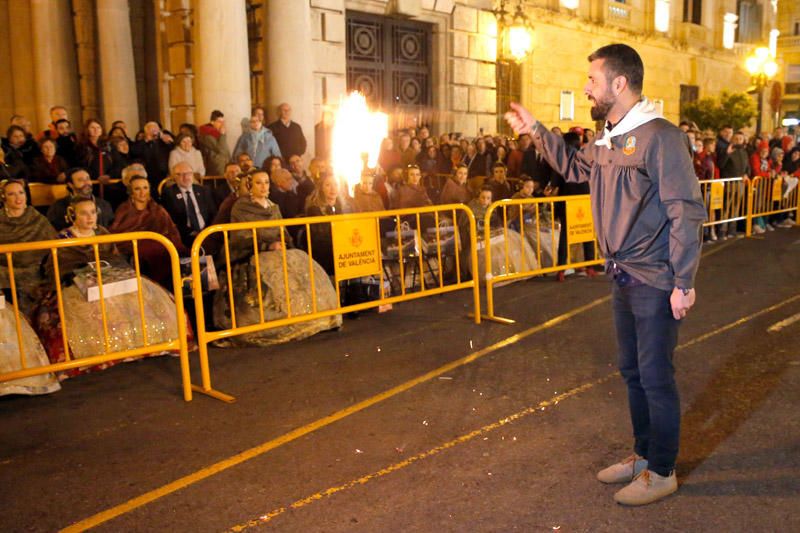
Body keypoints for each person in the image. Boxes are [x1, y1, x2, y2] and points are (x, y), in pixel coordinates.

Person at [506, 43, 706, 506]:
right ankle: (643, 454)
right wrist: (536, 130)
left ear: (619, 83)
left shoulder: (660, 137)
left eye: (592, 80)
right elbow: (577, 167)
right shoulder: (609, 136)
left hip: (656, 279)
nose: (586, 87)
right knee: (633, 371)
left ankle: (662, 470)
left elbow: (685, 210)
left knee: (656, 377)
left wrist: (684, 281)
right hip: (622, 275)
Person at [36, 195, 185, 379]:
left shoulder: (102, 232)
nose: (90, 217)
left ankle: (148, 345)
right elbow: (57, 266)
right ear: (73, 215)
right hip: (77, 282)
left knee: (145, 296)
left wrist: (109, 270)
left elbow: (115, 257)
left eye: (93, 212)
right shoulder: (63, 238)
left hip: (108, 278)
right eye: (84, 213)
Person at [214, 171, 340, 345]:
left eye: (266, 182)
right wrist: (267, 246)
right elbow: (241, 236)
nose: (264, 186)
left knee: (301, 263)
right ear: (250, 186)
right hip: (252, 253)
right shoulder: (241, 207)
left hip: (279, 251)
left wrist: (283, 243)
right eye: (259, 183)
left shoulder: (274, 207)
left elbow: (284, 232)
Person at [0, 178, 61, 396]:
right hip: (5, 275)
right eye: (12, 194)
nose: (18, 198)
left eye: (21, 193)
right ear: (4, 198)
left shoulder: (38, 220)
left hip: (36, 275)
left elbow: (53, 251)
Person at [110, 166, 187, 287]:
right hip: (136, 249)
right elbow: (118, 236)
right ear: (131, 192)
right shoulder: (123, 210)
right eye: (137, 189)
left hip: (161, 246)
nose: (142, 192)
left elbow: (171, 230)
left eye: (145, 188)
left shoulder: (158, 209)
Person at [160, 162, 217, 248]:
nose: (185, 177)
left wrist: (208, 231)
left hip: (207, 233)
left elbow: (213, 213)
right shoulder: (169, 194)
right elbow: (172, 220)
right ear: (174, 177)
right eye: (180, 174)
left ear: (193, 174)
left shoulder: (204, 190)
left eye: (188, 173)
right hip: (185, 236)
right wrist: (192, 233)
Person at [46, 167, 114, 232]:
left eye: (88, 179)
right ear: (70, 185)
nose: (87, 183)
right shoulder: (57, 207)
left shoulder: (104, 205)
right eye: (81, 180)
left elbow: (110, 228)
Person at [130, 121, 174, 198]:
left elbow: (174, 149)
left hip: (164, 174)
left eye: (156, 129)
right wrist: (146, 140)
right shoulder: (141, 143)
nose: (155, 131)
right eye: (152, 129)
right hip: (148, 175)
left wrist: (168, 141)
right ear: (146, 131)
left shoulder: (164, 141)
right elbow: (134, 152)